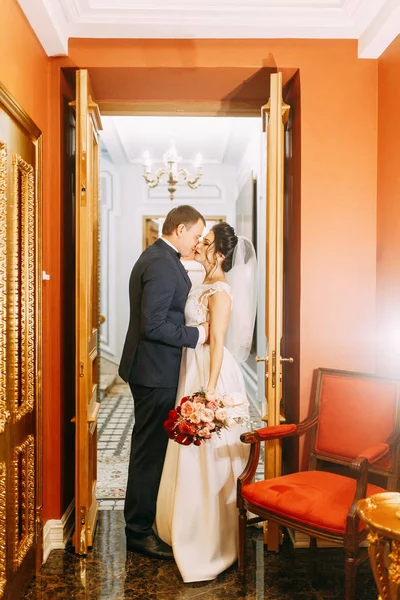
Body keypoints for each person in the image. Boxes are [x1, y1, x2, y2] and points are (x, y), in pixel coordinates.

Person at [156, 222, 257, 582]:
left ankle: (209, 539)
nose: (199, 244)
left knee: (205, 452)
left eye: (207, 242)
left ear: (220, 255)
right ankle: (181, 525)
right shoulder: (203, 281)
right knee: (185, 451)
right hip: (191, 367)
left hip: (209, 372)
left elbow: (217, 343)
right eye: (200, 239)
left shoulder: (221, 292)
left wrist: (209, 391)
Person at [119, 205, 208, 559]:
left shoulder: (162, 257)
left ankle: (146, 522)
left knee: (153, 450)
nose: (197, 242)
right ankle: (137, 532)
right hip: (154, 371)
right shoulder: (159, 262)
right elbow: (152, 325)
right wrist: (197, 335)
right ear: (180, 229)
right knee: (148, 453)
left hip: (156, 368)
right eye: (196, 235)